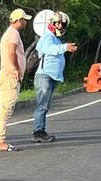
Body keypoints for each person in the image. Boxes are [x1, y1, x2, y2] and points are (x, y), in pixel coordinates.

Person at [32, 11, 77, 143]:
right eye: (59, 24)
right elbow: (49, 49)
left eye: (63, 24)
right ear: (52, 24)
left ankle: (41, 130)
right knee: (42, 105)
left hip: (51, 76)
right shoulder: (47, 37)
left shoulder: (55, 38)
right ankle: (38, 132)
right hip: (44, 75)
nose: (61, 27)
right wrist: (64, 47)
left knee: (45, 105)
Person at [0, 8, 29, 152]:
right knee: (6, 110)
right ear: (19, 20)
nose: (26, 22)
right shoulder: (13, 34)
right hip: (10, 76)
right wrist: (16, 69)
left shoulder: (10, 33)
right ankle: (0, 141)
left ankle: (0, 139)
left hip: (6, 75)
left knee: (4, 108)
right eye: (25, 20)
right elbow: (11, 53)